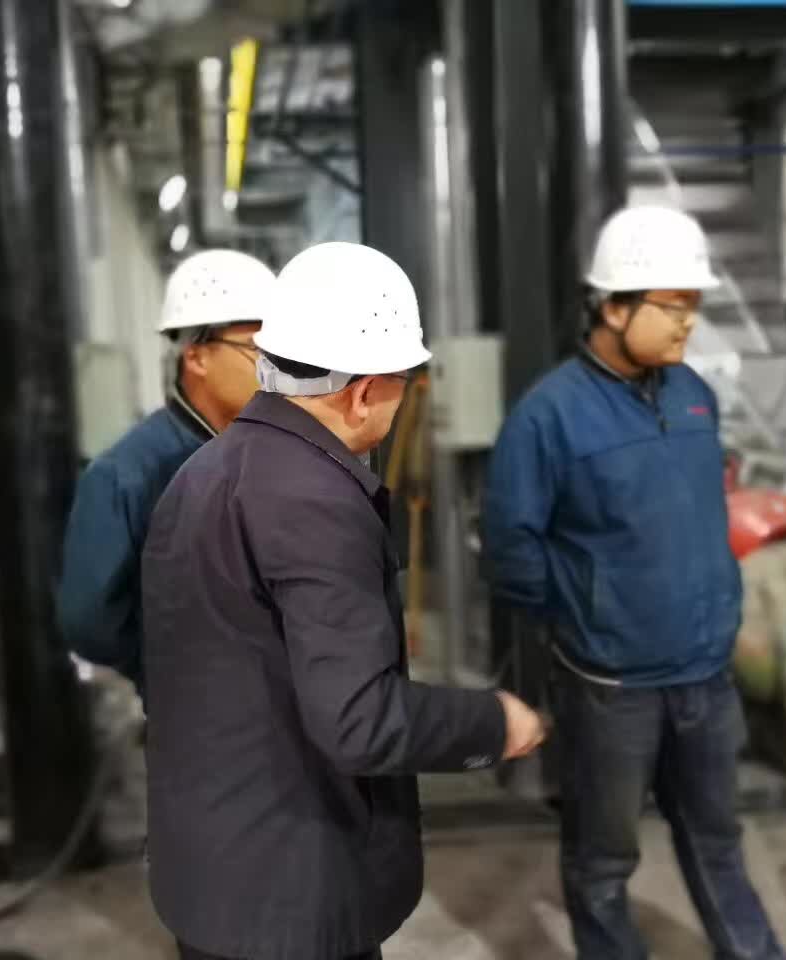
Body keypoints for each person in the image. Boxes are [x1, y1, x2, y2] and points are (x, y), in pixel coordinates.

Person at [141, 241, 546, 960]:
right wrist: (491, 722)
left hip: (207, 871)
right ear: (364, 391)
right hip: (291, 893)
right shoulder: (317, 501)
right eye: (402, 382)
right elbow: (359, 721)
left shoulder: (200, 473)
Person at [482, 205, 786, 960]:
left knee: (719, 842)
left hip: (705, 677)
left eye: (694, 306)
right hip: (611, 689)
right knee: (603, 860)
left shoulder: (694, 396)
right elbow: (511, 549)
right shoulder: (547, 417)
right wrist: (591, 615)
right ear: (613, 307)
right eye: (673, 306)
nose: (689, 323)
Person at [57, 249, 274, 701]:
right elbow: (89, 622)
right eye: (260, 351)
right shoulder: (127, 475)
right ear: (197, 357)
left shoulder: (273, 450)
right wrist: (174, 663)